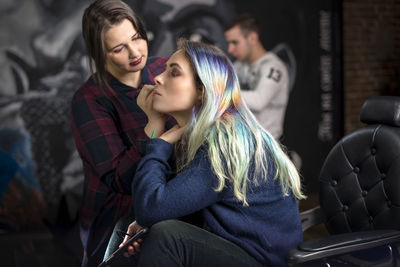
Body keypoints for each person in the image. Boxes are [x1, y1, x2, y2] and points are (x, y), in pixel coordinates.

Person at [118, 39, 305, 267]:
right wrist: (154, 125)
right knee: (129, 226)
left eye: (173, 73)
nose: (158, 78)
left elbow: (151, 208)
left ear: (201, 90)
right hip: (228, 246)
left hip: (262, 261)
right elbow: (146, 197)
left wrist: (159, 141)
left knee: (167, 236)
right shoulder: (196, 135)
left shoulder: (225, 140)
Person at [70, 0, 170, 266]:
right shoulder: (88, 100)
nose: (135, 51)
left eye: (137, 38)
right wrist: (154, 123)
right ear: (100, 54)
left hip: (169, 201)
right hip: (116, 219)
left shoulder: (164, 69)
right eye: (118, 48)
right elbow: (121, 179)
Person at [224, 13, 290, 140]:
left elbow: (259, 101)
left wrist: (221, 91)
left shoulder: (274, 67)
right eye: (228, 43)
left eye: (235, 42)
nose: (230, 49)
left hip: (268, 145)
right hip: (242, 142)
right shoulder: (239, 65)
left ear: (253, 38)